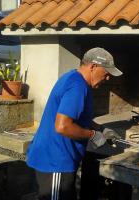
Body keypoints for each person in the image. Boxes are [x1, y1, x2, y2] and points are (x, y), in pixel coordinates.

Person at [26, 47, 123, 200]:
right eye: (106, 73)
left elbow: (77, 117)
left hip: (57, 158)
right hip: (55, 161)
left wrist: (100, 128)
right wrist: (93, 135)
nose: (108, 78)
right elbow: (63, 126)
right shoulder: (77, 87)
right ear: (93, 67)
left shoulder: (73, 78)